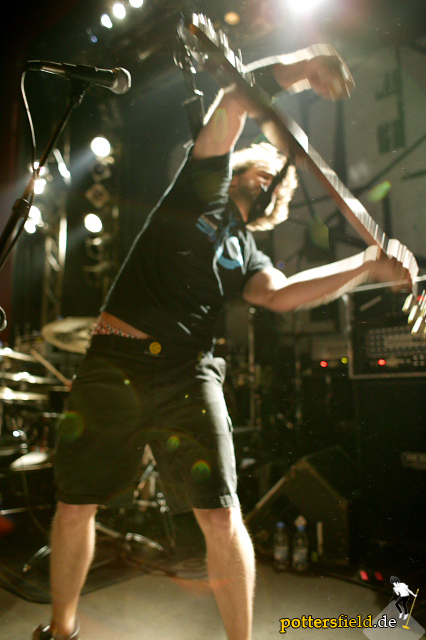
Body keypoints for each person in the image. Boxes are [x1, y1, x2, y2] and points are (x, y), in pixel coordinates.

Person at [33, 44, 413, 640]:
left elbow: (279, 294)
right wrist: (305, 66)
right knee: (76, 503)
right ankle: (61, 631)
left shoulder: (248, 252)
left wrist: (364, 266)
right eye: (266, 172)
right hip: (115, 364)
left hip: (187, 374)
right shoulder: (201, 184)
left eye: (280, 186)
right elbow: (235, 100)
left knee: (221, 513)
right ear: (239, 170)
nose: (275, 184)